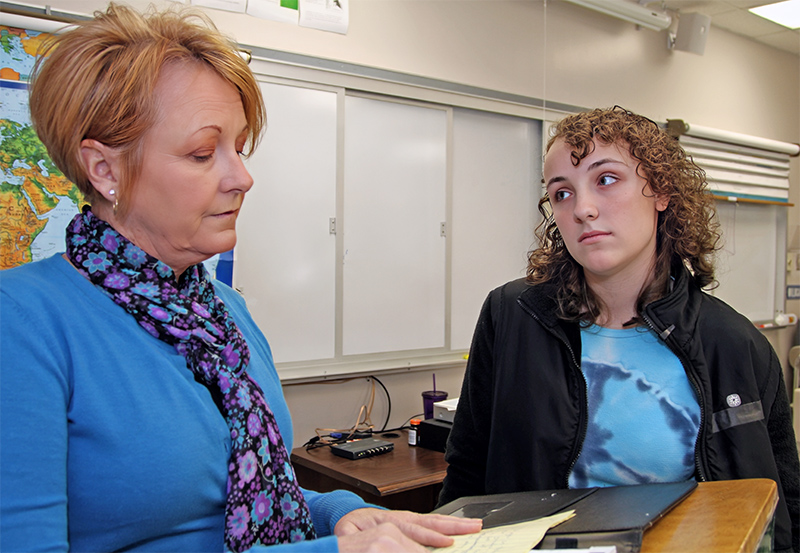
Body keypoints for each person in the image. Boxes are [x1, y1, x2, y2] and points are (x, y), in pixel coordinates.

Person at [0, 4, 481, 552]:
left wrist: (340, 514)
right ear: (104, 169)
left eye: (240, 147)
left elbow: (250, 495)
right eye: (204, 153)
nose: (243, 177)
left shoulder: (227, 310)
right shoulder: (21, 324)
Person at [438, 107, 800, 552]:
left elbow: (780, 500)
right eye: (562, 193)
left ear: (661, 191)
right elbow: (467, 470)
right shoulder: (512, 315)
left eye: (605, 179)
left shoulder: (733, 342)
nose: (583, 209)